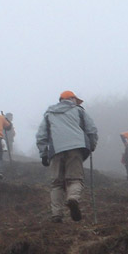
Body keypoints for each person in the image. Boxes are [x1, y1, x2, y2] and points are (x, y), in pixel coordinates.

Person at [36, 90, 98, 223]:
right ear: (72, 99)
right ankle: (73, 199)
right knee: (75, 179)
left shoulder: (49, 114)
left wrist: (43, 153)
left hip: (56, 150)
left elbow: (41, 135)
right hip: (76, 148)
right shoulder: (79, 111)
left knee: (56, 184)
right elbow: (91, 129)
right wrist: (92, 145)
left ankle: (57, 214)